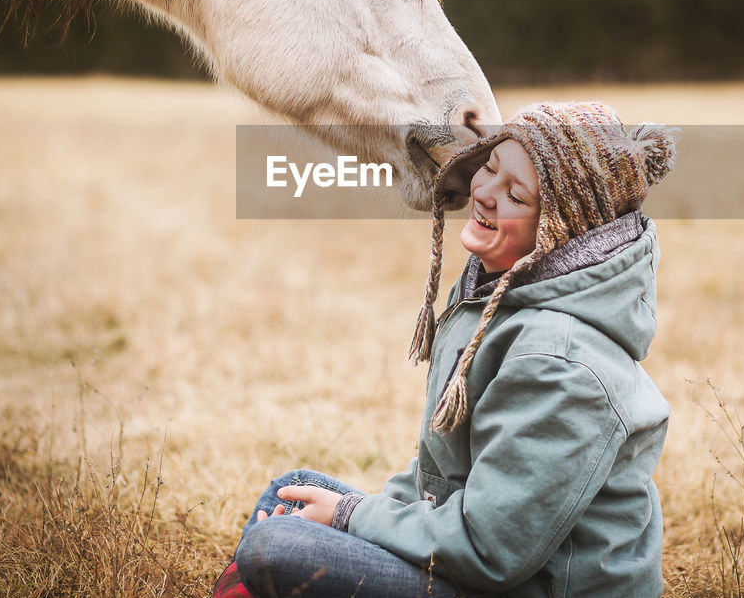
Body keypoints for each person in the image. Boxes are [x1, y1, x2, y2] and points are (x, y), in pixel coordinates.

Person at [215, 101, 676, 598]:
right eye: (492, 167)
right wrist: (356, 518)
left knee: (276, 547)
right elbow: (443, 479)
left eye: (515, 193)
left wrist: (350, 517)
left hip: (523, 583)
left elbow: (491, 548)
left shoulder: (560, 364)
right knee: (291, 488)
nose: (483, 191)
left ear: (559, 229)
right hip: (477, 558)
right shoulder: (500, 294)